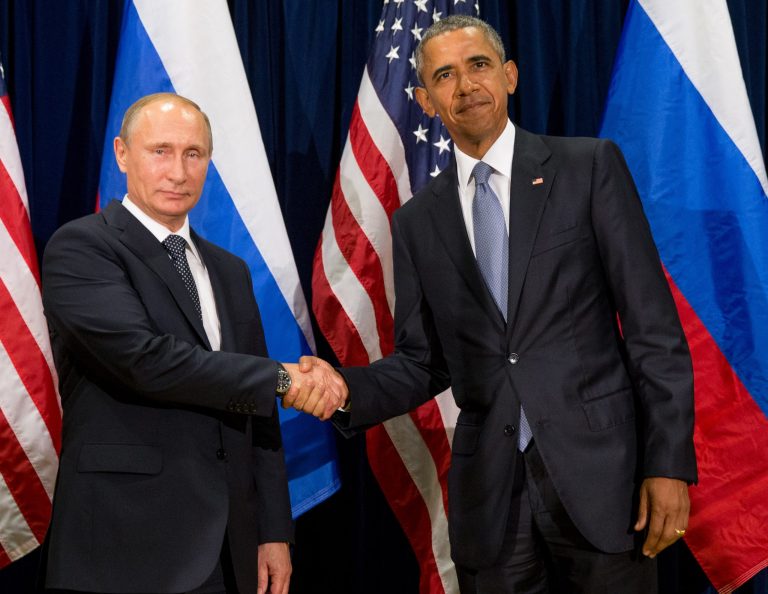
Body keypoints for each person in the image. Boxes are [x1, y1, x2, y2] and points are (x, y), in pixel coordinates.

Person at [290, 16, 697, 594]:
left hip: (604, 483)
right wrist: (345, 390)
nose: (465, 86)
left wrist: (669, 464)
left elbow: (653, 327)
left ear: (509, 75)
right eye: (444, 76)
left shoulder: (587, 168)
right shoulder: (416, 222)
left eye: (478, 65)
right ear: (426, 101)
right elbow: (423, 360)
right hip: (493, 503)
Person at [42, 93, 342, 594]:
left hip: (230, 548)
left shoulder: (230, 270)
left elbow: (257, 411)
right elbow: (145, 361)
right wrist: (284, 378)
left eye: (193, 154)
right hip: (123, 545)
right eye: (160, 150)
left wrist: (272, 530)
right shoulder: (83, 247)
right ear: (122, 154)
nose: (178, 172)